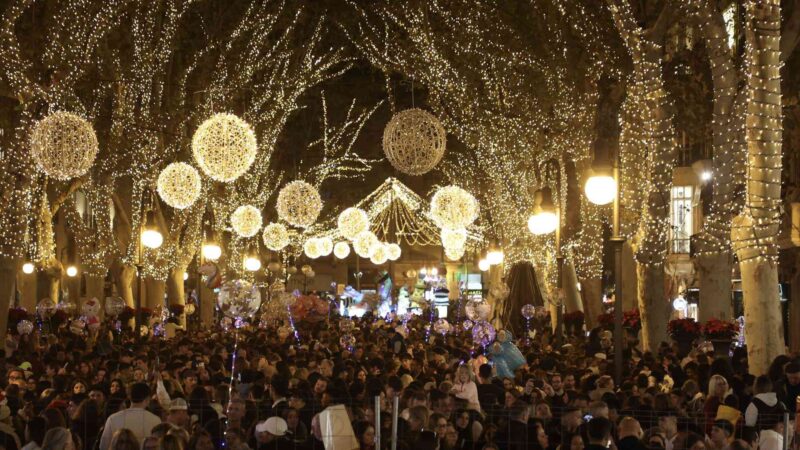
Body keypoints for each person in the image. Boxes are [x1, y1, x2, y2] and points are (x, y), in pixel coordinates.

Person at [97, 383, 161, 450]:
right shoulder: (155, 420)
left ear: (129, 397)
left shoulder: (113, 418)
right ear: (148, 398)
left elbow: (103, 446)